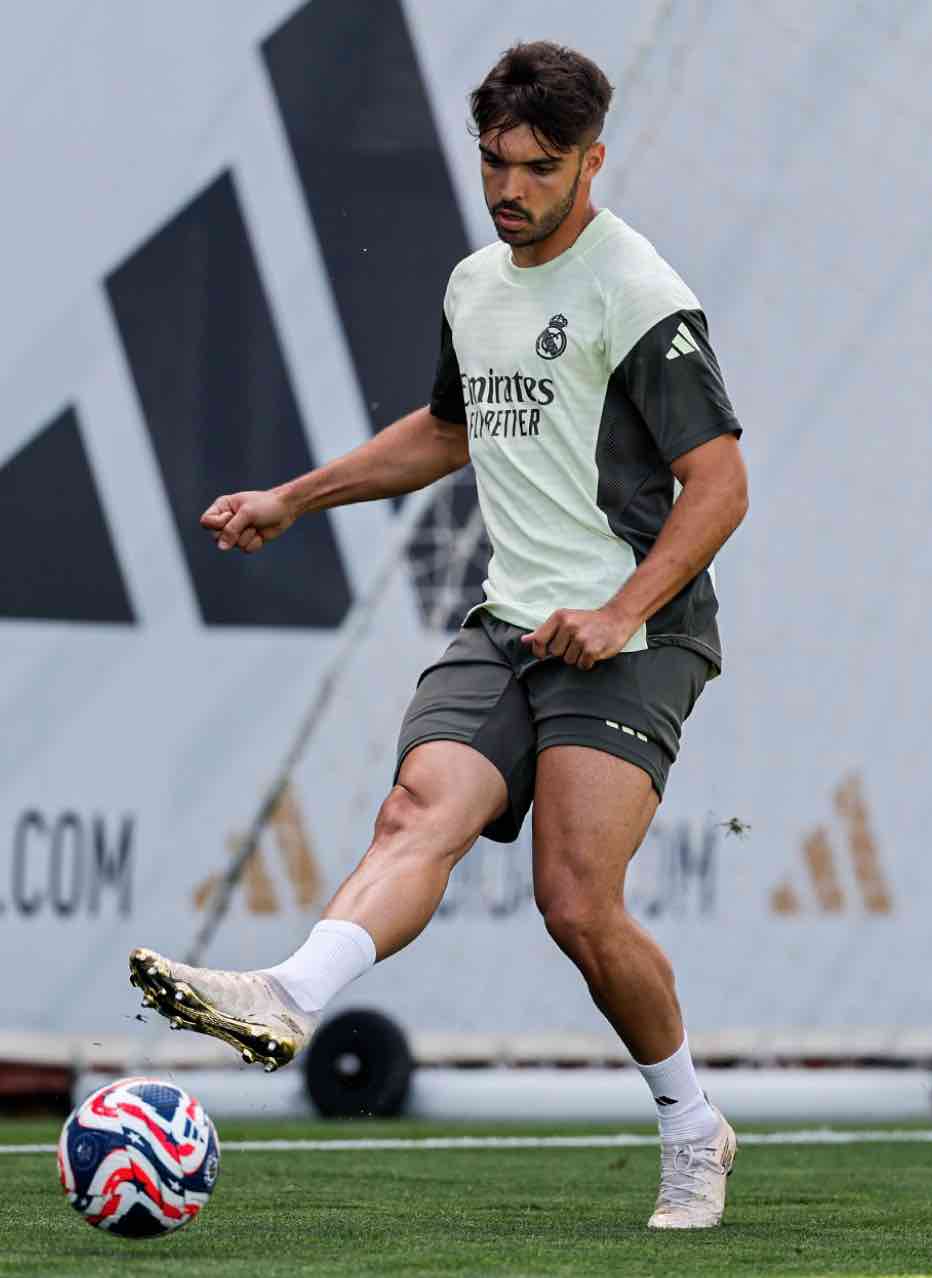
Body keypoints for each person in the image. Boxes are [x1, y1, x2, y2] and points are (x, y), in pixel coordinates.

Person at [130, 40, 748, 1229]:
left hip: (639, 633)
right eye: (494, 163)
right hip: (510, 624)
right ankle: (289, 994)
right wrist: (292, 498)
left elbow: (720, 485)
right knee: (417, 810)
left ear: (592, 162)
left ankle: (691, 1127)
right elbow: (444, 432)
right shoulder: (475, 286)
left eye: (539, 168)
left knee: (575, 903)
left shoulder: (639, 293)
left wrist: (620, 611)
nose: (510, 189)